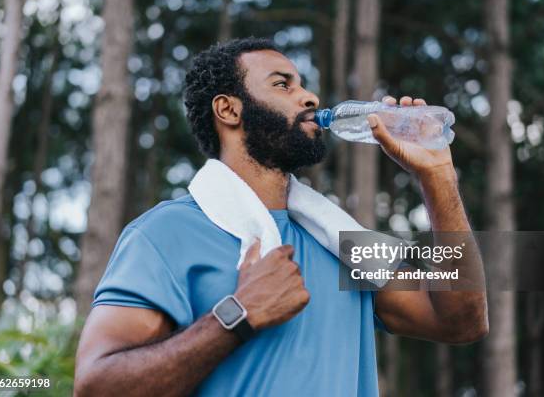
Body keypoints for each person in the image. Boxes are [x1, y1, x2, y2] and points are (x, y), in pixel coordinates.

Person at [74, 37, 488, 397]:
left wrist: (437, 177)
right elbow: (97, 386)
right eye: (282, 85)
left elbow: (462, 322)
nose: (309, 98)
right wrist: (238, 315)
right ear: (228, 110)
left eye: (303, 85)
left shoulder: (342, 241)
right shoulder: (165, 235)